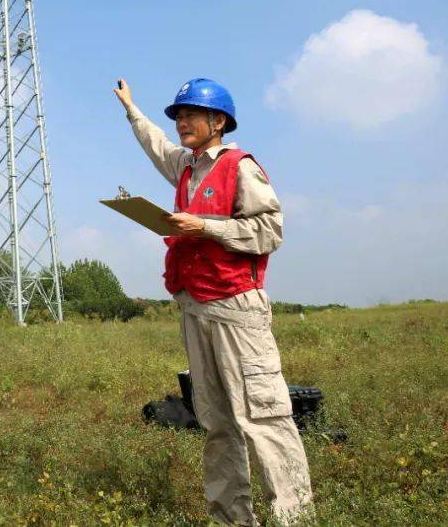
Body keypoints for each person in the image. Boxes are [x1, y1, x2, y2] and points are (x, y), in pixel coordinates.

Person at [113, 77, 312, 525]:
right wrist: (131, 108)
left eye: (189, 115)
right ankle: (231, 519)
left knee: (262, 418)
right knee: (217, 424)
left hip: (237, 308)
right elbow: (155, 143)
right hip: (195, 307)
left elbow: (269, 232)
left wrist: (205, 227)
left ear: (217, 121)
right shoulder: (185, 167)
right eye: (178, 116)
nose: (181, 122)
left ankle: (294, 519)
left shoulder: (240, 166)